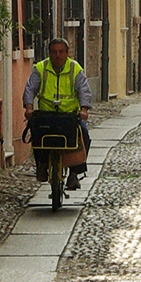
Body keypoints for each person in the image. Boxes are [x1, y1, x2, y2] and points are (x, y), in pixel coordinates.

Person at [23, 38, 92, 190]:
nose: (58, 55)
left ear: (67, 53)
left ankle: (74, 173)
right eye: (54, 52)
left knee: (84, 134)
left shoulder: (75, 69)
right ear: (50, 53)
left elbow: (84, 91)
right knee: (36, 134)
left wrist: (84, 109)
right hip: (46, 115)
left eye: (61, 52)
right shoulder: (41, 68)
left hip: (70, 116)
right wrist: (28, 107)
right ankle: (41, 164)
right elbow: (30, 88)